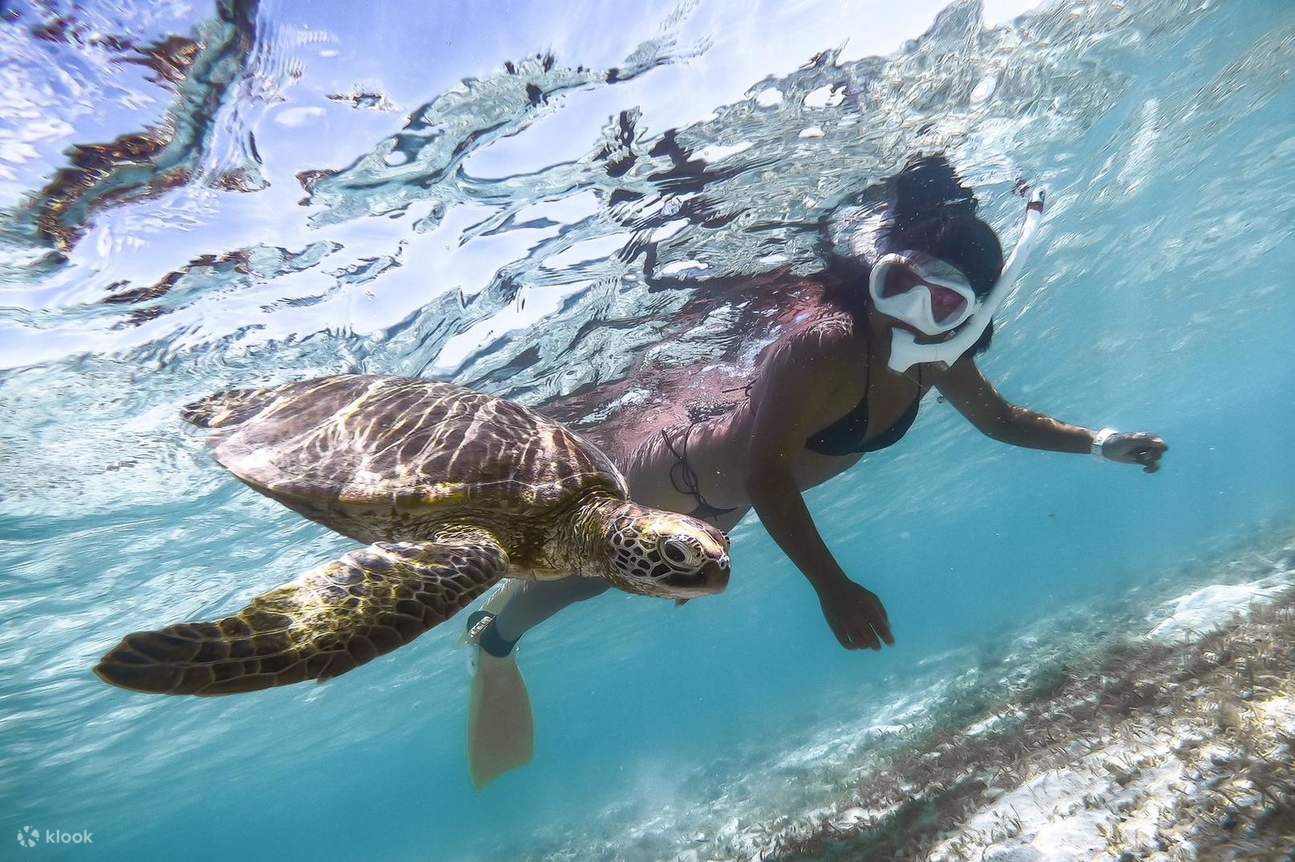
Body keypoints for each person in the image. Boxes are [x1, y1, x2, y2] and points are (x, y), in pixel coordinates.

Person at [462, 155, 1168, 788]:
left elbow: (1001, 421)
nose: (904, 316)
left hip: (725, 500)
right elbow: (765, 473)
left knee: (635, 578)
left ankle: (506, 612)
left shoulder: (941, 359)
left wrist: (1101, 441)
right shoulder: (826, 345)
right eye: (894, 284)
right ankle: (493, 639)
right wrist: (831, 587)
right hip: (672, 477)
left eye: (941, 303)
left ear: (973, 314)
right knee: (586, 581)